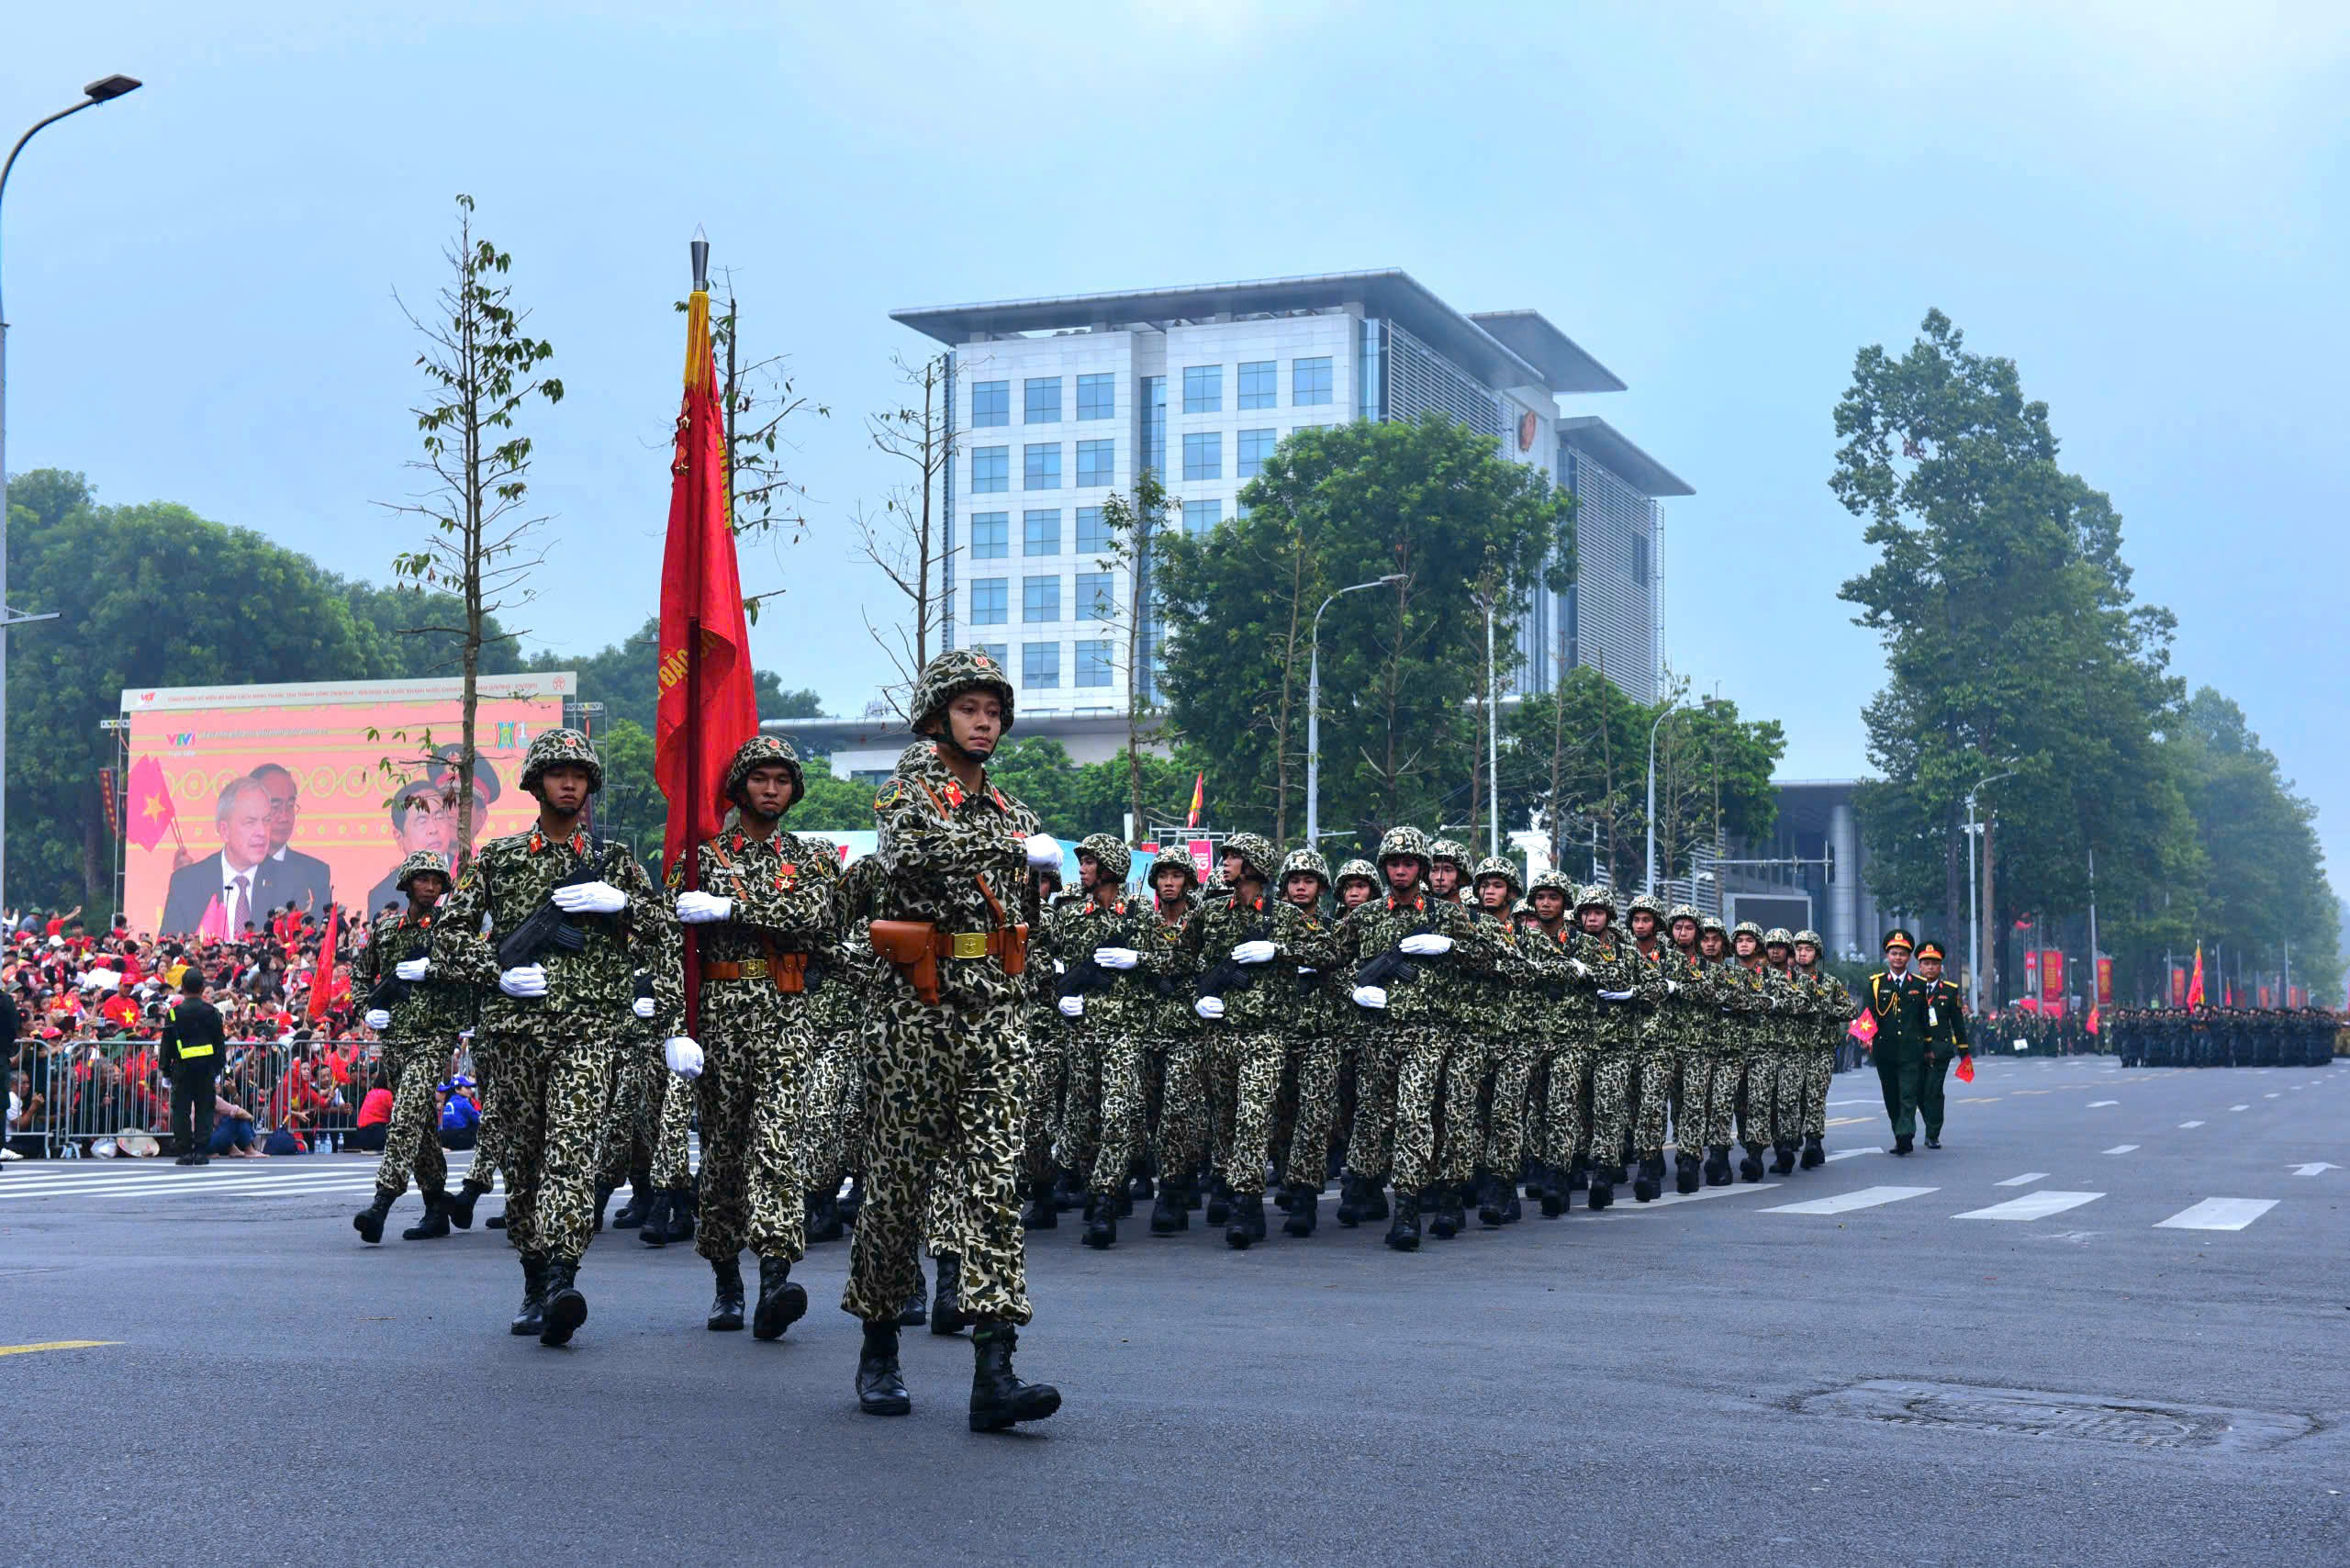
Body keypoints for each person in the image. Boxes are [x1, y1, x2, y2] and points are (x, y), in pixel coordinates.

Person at [844, 648, 1062, 1429]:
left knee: (996, 1184)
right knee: (898, 1188)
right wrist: (1013, 851)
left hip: (996, 1011)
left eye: (994, 711)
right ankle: (878, 1346)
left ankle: (994, 1368)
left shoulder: (1011, 810)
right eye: (970, 709)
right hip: (919, 1012)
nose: (985, 722)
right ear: (939, 716)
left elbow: (1026, 919)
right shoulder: (910, 786)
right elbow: (911, 855)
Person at [430, 728, 682, 1348]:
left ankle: (564, 1277)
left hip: (589, 1034)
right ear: (536, 783)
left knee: (571, 1154)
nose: (569, 782)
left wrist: (620, 903)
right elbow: (449, 936)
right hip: (513, 1034)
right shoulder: (500, 859)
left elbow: (664, 928)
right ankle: (534, 1278)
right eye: (557, 772)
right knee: (523, 1163)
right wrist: (498, 971)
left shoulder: (616, 862)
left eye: (579, 774)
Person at [670, 735, 842, 1341]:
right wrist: (674, 1029)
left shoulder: (816, 857)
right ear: (740, 786)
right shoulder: (702, 859)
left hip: (787, 1013)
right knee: (722, 1153)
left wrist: (733, 910)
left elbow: (818, 918)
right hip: (720, 1016)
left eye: (783, 779)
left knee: (777, 1145)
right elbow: (673, 949)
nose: (772, 789)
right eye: (761, 778)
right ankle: (726, 1278)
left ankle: (775, 1277)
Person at [350, 851, 474, 1245]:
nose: (432, 886)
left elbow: (474, 967)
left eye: (437, 881)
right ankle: (437, 1204)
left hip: (433, 1039)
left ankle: (381, 1204)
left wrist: (432, 969)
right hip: (396, 1042)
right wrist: (367, 1010)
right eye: (424, 879)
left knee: (404, 1116)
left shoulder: (448, 929)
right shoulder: (386, 931)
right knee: (418, 1128)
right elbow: (359, 975)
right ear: (407, 883)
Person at [160, 778, 279, 935]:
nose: (262, 832)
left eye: (267, 821)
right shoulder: (186, 883)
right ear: (225, 831)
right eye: (250, 822)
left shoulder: (289, 880)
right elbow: (168, 945)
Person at [1864, 929, 1930, 1155]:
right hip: (1885, 1050)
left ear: (1909, 956)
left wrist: (1929, 1047)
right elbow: (1868, 1015)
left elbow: (1926, 1019)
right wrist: (1866, 1039)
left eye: (1902, 953)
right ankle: (1898, 1132)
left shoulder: (1920, 985)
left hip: (1912, 1050)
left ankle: (1906, 1134)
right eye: (1894, 953)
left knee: (1908, 1094)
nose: (1898, 957)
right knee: (1891, 1095)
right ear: (1887, 956)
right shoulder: (1875, 983)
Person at [250, 763, 336, 917]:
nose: (284, 817)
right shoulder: (231, 868)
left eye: (290, 806)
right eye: (275, 807)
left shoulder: (316, 872)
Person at [160, 969, 226, 1164]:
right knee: (205, 1109)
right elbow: (219, 1042)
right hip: (206, 1068)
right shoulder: (212, 1012)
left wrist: (165, 1070)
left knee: (181, 1110)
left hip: (182, 1067)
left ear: (183, 987)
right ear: (202, 988)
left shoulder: (174, 1013)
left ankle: (185, 1151)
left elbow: (167, 1043)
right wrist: (218, 1069)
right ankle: (201, 1151)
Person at [1912, 940, 1970, 1148]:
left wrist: (1965, 1052)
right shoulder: (1912, 989)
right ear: (1919, 966)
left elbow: (1958, 1024)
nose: (1930, 967)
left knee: (1933, 1090)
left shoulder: (1950, 991)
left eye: (1934, 963)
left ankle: (1933, 1133)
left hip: (1940, 1049)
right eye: (1925, 963)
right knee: (1919, 1091)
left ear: (1940, 967)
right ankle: (1930, 1123)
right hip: (1917, 1049)